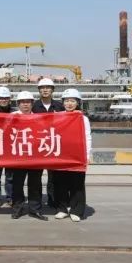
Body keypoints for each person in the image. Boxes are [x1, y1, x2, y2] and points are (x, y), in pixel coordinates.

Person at [54, 89, 91, 222]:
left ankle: (76, 210)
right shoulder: (58, 116)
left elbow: (87, 137)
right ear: (63, 102)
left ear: (78, 102)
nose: (69, 104)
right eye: (67, 101)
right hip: (61, 154)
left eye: (72, 101)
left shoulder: (83, 118)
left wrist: (87, 155)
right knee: (60, 183)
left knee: (77, 183)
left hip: (77, 154)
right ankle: (62, 208)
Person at [10, 91, 48, 221]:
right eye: (22, 102)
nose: (25, 105)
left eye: (28, 102)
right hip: (18, 157)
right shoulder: (12, 117)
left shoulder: (38, 117)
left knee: (35, 184)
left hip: (35, 157)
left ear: (32, 104)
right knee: (17, 184)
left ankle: (35, 209)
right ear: (18, 104)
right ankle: (17, 209)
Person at [32, 78, 65, 209]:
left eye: (48, 87)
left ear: (52, 90)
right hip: (37, 145)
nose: (45, 90)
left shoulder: (59, 106)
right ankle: (37, 201)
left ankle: (53, 200)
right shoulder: (33, 106)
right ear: (39, 90)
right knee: (36, 177)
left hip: (53, 145)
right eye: (42, 88)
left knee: (53, 176)